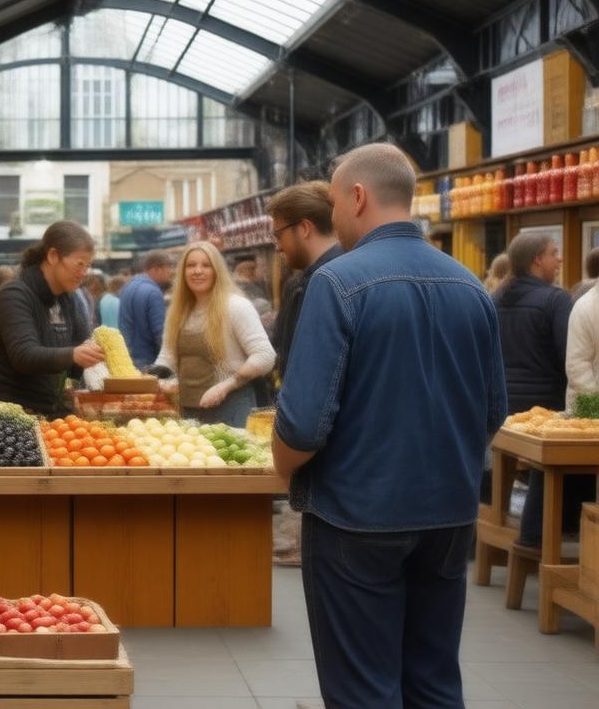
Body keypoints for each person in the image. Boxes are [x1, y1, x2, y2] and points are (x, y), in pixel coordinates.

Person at [272, 143, 508, 707]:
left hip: (358, 515)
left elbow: (303, 424)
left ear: (357, 197)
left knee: (363, 685)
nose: (331, 216)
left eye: (332, 202)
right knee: (433, 678)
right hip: (450, 515)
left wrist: (283, 467)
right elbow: (494, 408)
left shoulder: (340, 283)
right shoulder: (471, 285)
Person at [495, 233, 591, 551]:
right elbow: (570, 355)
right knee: (572, 458)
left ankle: (538, 529)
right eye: (554, 253)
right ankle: (544, 533)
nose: (559, 259)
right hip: (544, 407)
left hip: (502, 407)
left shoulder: (495, 297)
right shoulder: (555, 299)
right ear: (538, 260)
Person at [0, 221, 104, 417]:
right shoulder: (14, 295)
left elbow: (78, 352)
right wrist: (73, 354)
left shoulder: (67, 300)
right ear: (53, 256)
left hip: (48, 413)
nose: (83, 274)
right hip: (7, 418)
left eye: (88, 267)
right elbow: (24, 355)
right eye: (80, 264)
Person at [153, 243, 274, 427]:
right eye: (191, 265)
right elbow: (167, 356)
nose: (198, 271)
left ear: (217, 270)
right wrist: (158, 379)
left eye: (206, 265)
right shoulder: (177, 311)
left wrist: (227, 385)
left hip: (232, 408)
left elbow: (265, 356)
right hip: (189, 413)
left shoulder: (236, 306)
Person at [266, 181, 343, 378]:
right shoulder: (305, 282)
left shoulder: (321, 284)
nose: (278, 247)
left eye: (279, 235)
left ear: (304, 228)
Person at [119, 250, 174, 370]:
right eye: (168, 268)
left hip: (127, 358)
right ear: (155, 269)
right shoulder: (153, 292)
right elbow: (160, 333)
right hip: (148, 360)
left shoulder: (127, 287)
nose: (171, 272)